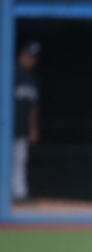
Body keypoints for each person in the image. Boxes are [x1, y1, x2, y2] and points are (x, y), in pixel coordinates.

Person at [13, 41, 41, 202]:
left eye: (33, 58)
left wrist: (33, 129)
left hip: (22, 129)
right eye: (28, 56)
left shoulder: (32, 79)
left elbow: (34, 108)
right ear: (21, 56)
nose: (31, 60)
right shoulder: (9, 74)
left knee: (20, 161)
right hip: (5, 128)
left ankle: (19, 194)